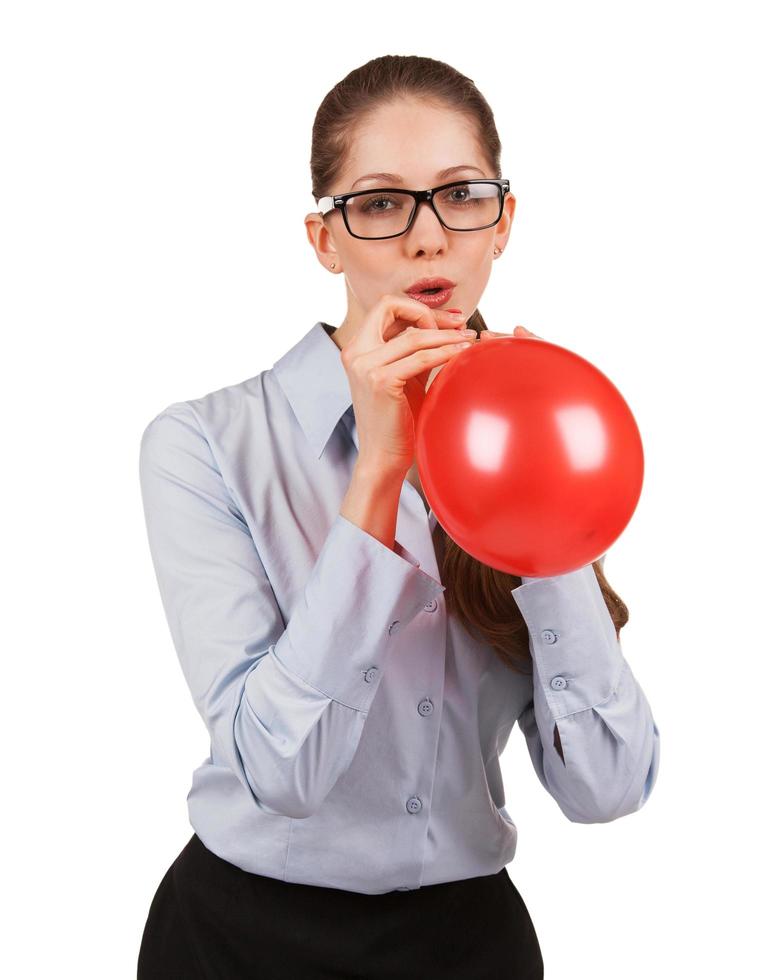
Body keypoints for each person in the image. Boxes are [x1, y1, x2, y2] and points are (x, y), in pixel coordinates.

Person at [136, 54, 660, 980]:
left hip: (469, 946)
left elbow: (608, 788)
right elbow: (281, 773)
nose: (427, 240)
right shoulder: (204, 444)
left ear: (502, 224)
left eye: (461, 195)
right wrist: (379, 469)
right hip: (237, 945)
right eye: (380, 204)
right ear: (325, 239)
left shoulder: (547, 433)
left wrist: (542, 502)